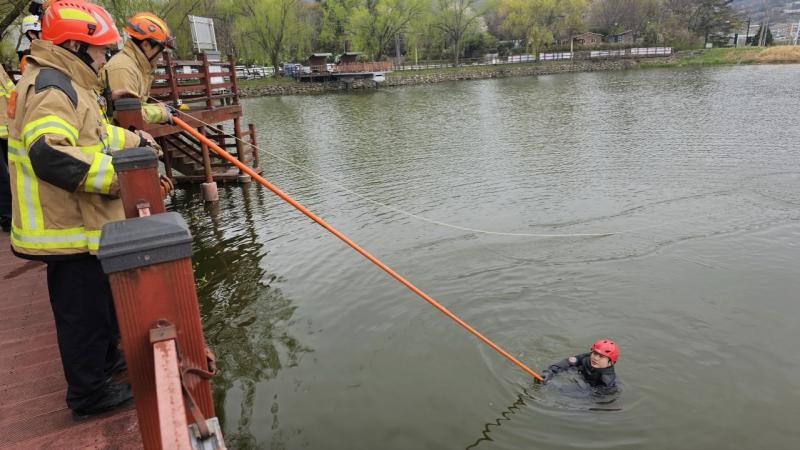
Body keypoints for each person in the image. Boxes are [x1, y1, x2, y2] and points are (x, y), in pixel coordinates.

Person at [7, 0, 158, 419]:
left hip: (79, 226)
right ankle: (88, 396)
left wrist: (133, 143)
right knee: (83, 317)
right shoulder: (53, 87)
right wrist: (116, 178)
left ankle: (105, 364)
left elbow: (92, 133)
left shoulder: (69, 82)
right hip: (66, 231)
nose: (104, 58)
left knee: (99, 308)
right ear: (75, 44)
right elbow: (49, 153)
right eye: (99, 51)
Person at [100, 12, 175, 125]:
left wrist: (160, 108)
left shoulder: (136, 67)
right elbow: (126, 115)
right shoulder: (124, 69)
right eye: (160, 49)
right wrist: (161, 113)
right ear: (146, 45)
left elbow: (135, 104)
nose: (160, 55)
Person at [541, 338, 619, 392]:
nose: (596, 358)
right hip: (581, 376)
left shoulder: (607, 380)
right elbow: (569, 362)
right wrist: (550, 371)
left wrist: (558, 387)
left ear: (611, 362)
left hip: (592, 391)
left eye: (601, 357)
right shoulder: (588, 357)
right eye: (595, 353)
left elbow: (590, 394)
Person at [0, 66, 14, 232]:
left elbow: (10, 90)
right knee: (2, 176)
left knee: (11, 173)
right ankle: (7, 216)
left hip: (7, 126)